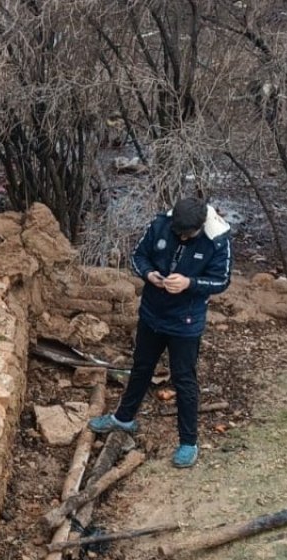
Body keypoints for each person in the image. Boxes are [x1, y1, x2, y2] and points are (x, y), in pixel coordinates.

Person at [89, 197, 232, 468]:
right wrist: (149, 274)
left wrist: (190, 283)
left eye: (187, 234)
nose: (182, 237)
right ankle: (123, 418)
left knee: (184, 378)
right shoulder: (160, 225)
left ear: (201, 226)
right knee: (141, 366)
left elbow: (221, 281)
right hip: (152, 312)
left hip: (186, 321)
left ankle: (188, 442)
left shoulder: (216, 240)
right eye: (178, 232)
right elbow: (138, 256)